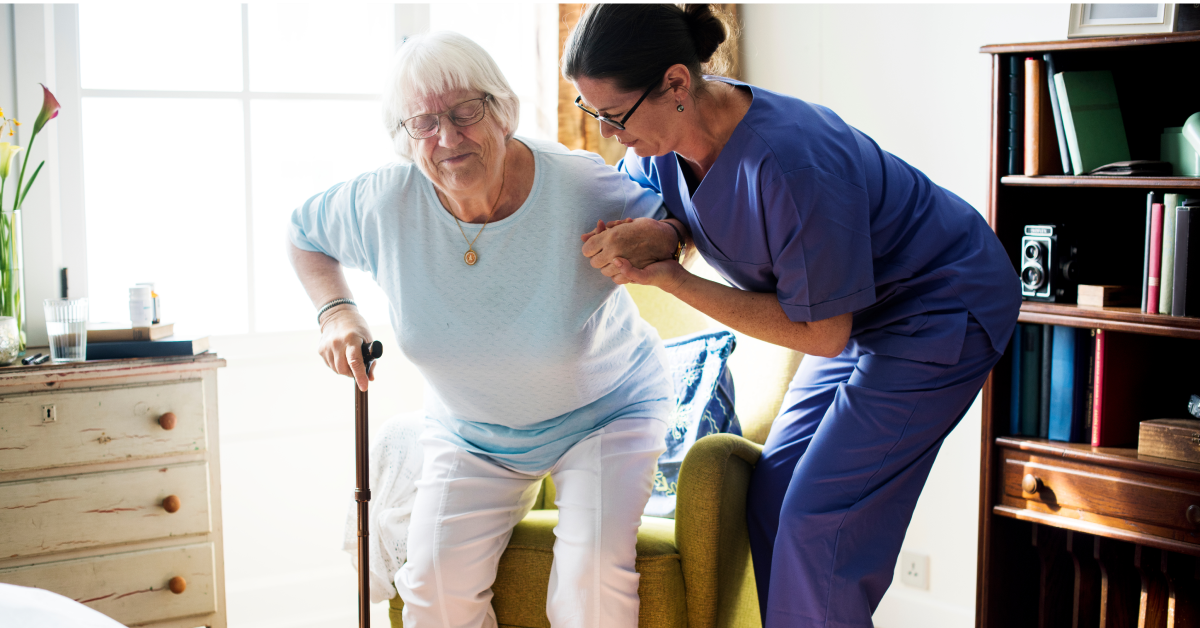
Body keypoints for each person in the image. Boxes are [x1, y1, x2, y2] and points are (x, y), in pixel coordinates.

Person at [563, 4, 1022, 627]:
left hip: (939, 304)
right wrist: (665, 231)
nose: (608, 133)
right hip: (857, 315)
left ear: (675, 83)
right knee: (773, 494)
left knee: (819, 519)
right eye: (593, 114)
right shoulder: (660, 147)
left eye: (613, 115)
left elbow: (822, 335)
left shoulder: (792, 162)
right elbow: (688, 213)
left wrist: (668, 276)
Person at [288, 31, 677, 628]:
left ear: (503, 112)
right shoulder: (383, 203)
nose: (447, 137)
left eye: (466, 111)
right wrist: (335, 311)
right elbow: (303, 234)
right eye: (423, 123)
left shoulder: (576, 185)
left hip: (606, 414)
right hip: (471, 432)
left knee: (588, 585)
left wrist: (664, 238)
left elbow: (682, 223)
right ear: (403, 137)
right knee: (434, 594)